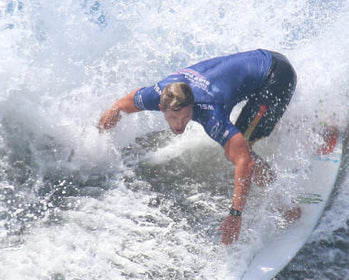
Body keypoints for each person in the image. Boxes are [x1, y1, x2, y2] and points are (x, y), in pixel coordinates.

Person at [98, 49, 297, 245]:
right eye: (174, 117)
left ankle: (286, 206)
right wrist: (97, 138)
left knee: (243, 147)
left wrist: (235, 215)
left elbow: (245, 162)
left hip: (276, 77)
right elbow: (118, 107)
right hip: (262, 60)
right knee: (249, 128)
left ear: (193, 106)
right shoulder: (156, 94)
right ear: (161, 107)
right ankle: (302, 125)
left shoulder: (209, 113)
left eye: (185, 116)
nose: (179, 124)